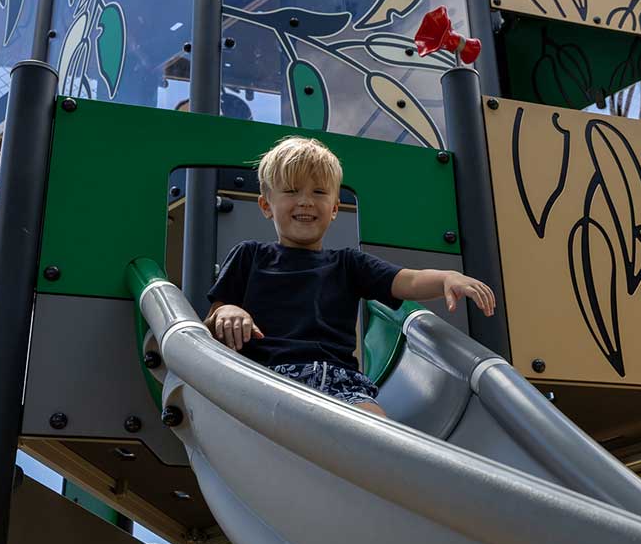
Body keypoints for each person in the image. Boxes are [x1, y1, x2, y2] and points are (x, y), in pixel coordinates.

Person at [204, 136, 495, 417]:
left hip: (340, 382)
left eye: (318, 192)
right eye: (291, 191)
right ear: (267, 206)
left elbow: (408, 280)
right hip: (267, 378)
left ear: (334, 209)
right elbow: (216, 314)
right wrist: (228, 309)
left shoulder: (347, 264)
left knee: (380, 432)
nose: (305, 201)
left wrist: (446, 277)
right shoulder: (250, 255)